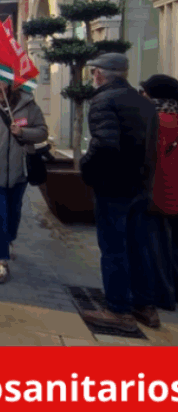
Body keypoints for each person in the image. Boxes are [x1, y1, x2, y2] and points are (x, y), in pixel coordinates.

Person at [80, 53, 160, 331]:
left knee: (113, 249)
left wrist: (85, 167)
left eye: (94, 73)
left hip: (114, 187)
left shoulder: (103, 100)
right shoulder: (144, 102)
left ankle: (118, 309)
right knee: (139, 245)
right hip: (140, 185)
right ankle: (145, 306)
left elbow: (104, 145)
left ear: (100, 75)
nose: (93, 78)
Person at [0, 79, 47, 283]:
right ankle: (1, 261)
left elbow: (42, 131)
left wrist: (23, 132)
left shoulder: (27, 104)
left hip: (19, 170)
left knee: (13, 213)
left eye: (2, 74)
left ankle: (9, 239)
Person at [140, 74, 178, 311]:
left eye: (144, 91)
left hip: (157, 194)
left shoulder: (155, 121)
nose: (141, 95)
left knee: (156, 248)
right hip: (172, 196)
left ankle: (163, 296)